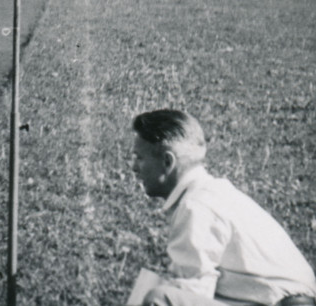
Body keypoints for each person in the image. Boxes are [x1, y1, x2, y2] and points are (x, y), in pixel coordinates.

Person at [130, 109, 316, 306]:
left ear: (168, 162)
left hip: (290, 303)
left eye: (139, 158)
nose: (134, 167)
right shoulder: (208, 193)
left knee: (159, 299)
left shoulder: (196, 206)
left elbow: (193, 292)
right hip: (271, 300)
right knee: (155, 288)